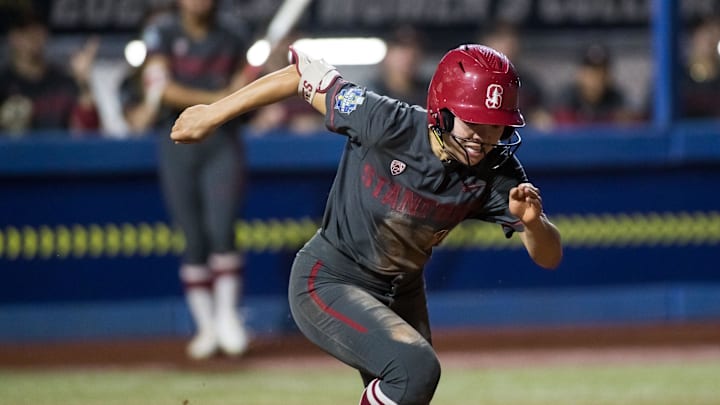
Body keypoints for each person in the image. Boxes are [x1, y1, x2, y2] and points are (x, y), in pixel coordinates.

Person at [171, 44, 563, 403]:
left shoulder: (498, 172)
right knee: (415, 372)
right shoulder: (386, 121)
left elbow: (548, 257)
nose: (484, 137)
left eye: (496, 126)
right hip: (329, 279)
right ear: (441, 110)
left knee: (411, 389)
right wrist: (213, 112)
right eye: (473, 122)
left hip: (401, 292)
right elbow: (301, 74)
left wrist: (532, 224)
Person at [141, 0, 251, 359]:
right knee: (192, 237)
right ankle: (206, 327)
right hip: (177, 142)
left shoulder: (235, 32)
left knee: (222, 231)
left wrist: (234, 94)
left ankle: (227, 319)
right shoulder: (160, 32)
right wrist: (215, 103)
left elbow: (245, 86)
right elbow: (162, 90)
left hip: (223, 143)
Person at [0, 11, 99, 135]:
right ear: (13, 36)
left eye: (37, 29)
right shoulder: (3, 83)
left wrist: (83, 82)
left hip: (59, 152)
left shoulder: (63, 81)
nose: (32, 36)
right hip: (12, 153)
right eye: (25, 31)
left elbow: (89, 131)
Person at [479, 22, 553, 131]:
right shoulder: (472, 80)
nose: (508, 45)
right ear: (485, 43)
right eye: (500, 38)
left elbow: (544, 119)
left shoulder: (530, 85)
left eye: (511, 38)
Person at [552, 43, 636, 126]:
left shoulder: (618, 99)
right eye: (590, 72)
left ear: (609, 76)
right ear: (579, 74)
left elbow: (631, 121)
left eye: (601, 72)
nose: (595, 79)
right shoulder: (565, 98)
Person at [367, 26, 428, 107]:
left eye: (413, 52)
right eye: (401, 52)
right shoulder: (371, 94)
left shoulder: (429, 93)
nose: (408, 58)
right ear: (388, 55)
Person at [680, 16, 720, 118]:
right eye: (707, 35)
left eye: (716, 36)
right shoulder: (677, 78)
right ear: (695, 38)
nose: (712, 42)